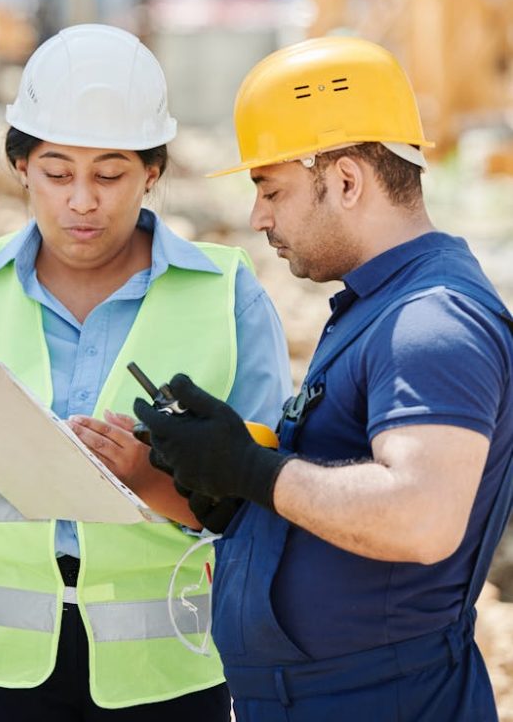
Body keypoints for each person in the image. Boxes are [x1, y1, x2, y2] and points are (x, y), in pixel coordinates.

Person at [0, 24, 291, 722]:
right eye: (57, 173)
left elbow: (270, 500)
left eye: (110, 174)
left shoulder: (226, 297)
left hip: (167, 673)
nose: (82, 201)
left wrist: (152, 482)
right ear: (21, 168)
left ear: (152, 172)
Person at [135, 35, 513, 722]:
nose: (259, 217)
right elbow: (347, 498)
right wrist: (235, 498)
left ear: (344, 180)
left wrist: (252, 470)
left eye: (269, 188)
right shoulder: (378, 308)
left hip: (383, 701)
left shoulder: (429, 321)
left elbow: (421, 517)